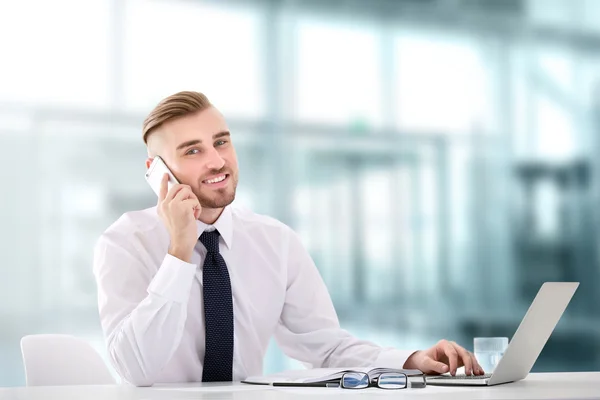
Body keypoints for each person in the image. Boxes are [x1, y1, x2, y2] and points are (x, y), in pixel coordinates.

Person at [93, 91, 484, 387]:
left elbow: (325, 348)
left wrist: (411, 359)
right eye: (193, 151)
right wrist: (179, 253)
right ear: (156, 171)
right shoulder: (124, 244)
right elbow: (134, 369)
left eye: (221, 141)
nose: (216, 161)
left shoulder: (275, 243)